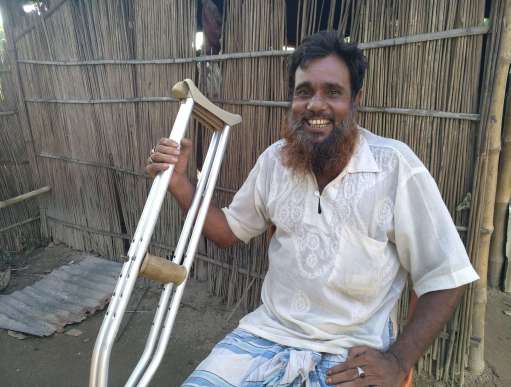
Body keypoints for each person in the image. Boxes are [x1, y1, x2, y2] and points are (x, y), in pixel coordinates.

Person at [146, 31, 479, 387]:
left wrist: (398, 361)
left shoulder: (395, 166)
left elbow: (445, 274)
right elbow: (227, 232)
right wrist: (180, 184)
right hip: (267, 334)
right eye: (304, 91)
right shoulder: (276, 161)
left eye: (332, 92)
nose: (315, 105)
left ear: (355, 101)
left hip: (353, 350)